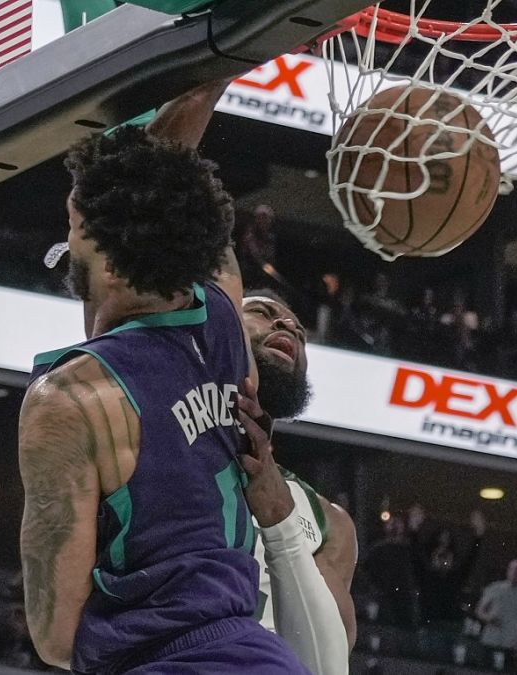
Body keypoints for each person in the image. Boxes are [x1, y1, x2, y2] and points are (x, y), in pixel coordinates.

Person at [18, 81, 309, 673]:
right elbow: (168, 183)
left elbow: (55, 636)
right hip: (258, 655)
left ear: (89, 238)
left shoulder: (69, 400)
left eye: (76, 215)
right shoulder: (225, 323)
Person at [240, 289, 360, 674]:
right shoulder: (158, 439)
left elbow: (328, 666)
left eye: (300, 332)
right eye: (261, 311)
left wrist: (280, 519)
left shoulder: (330, 520)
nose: (287, 325)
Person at [477, 559, 517, 669]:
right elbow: (479, 610)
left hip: (511, 646)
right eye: (514, 570)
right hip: (490, 642)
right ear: (508, 571)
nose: (516, 574)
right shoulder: (494, 588)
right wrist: (488, 618)